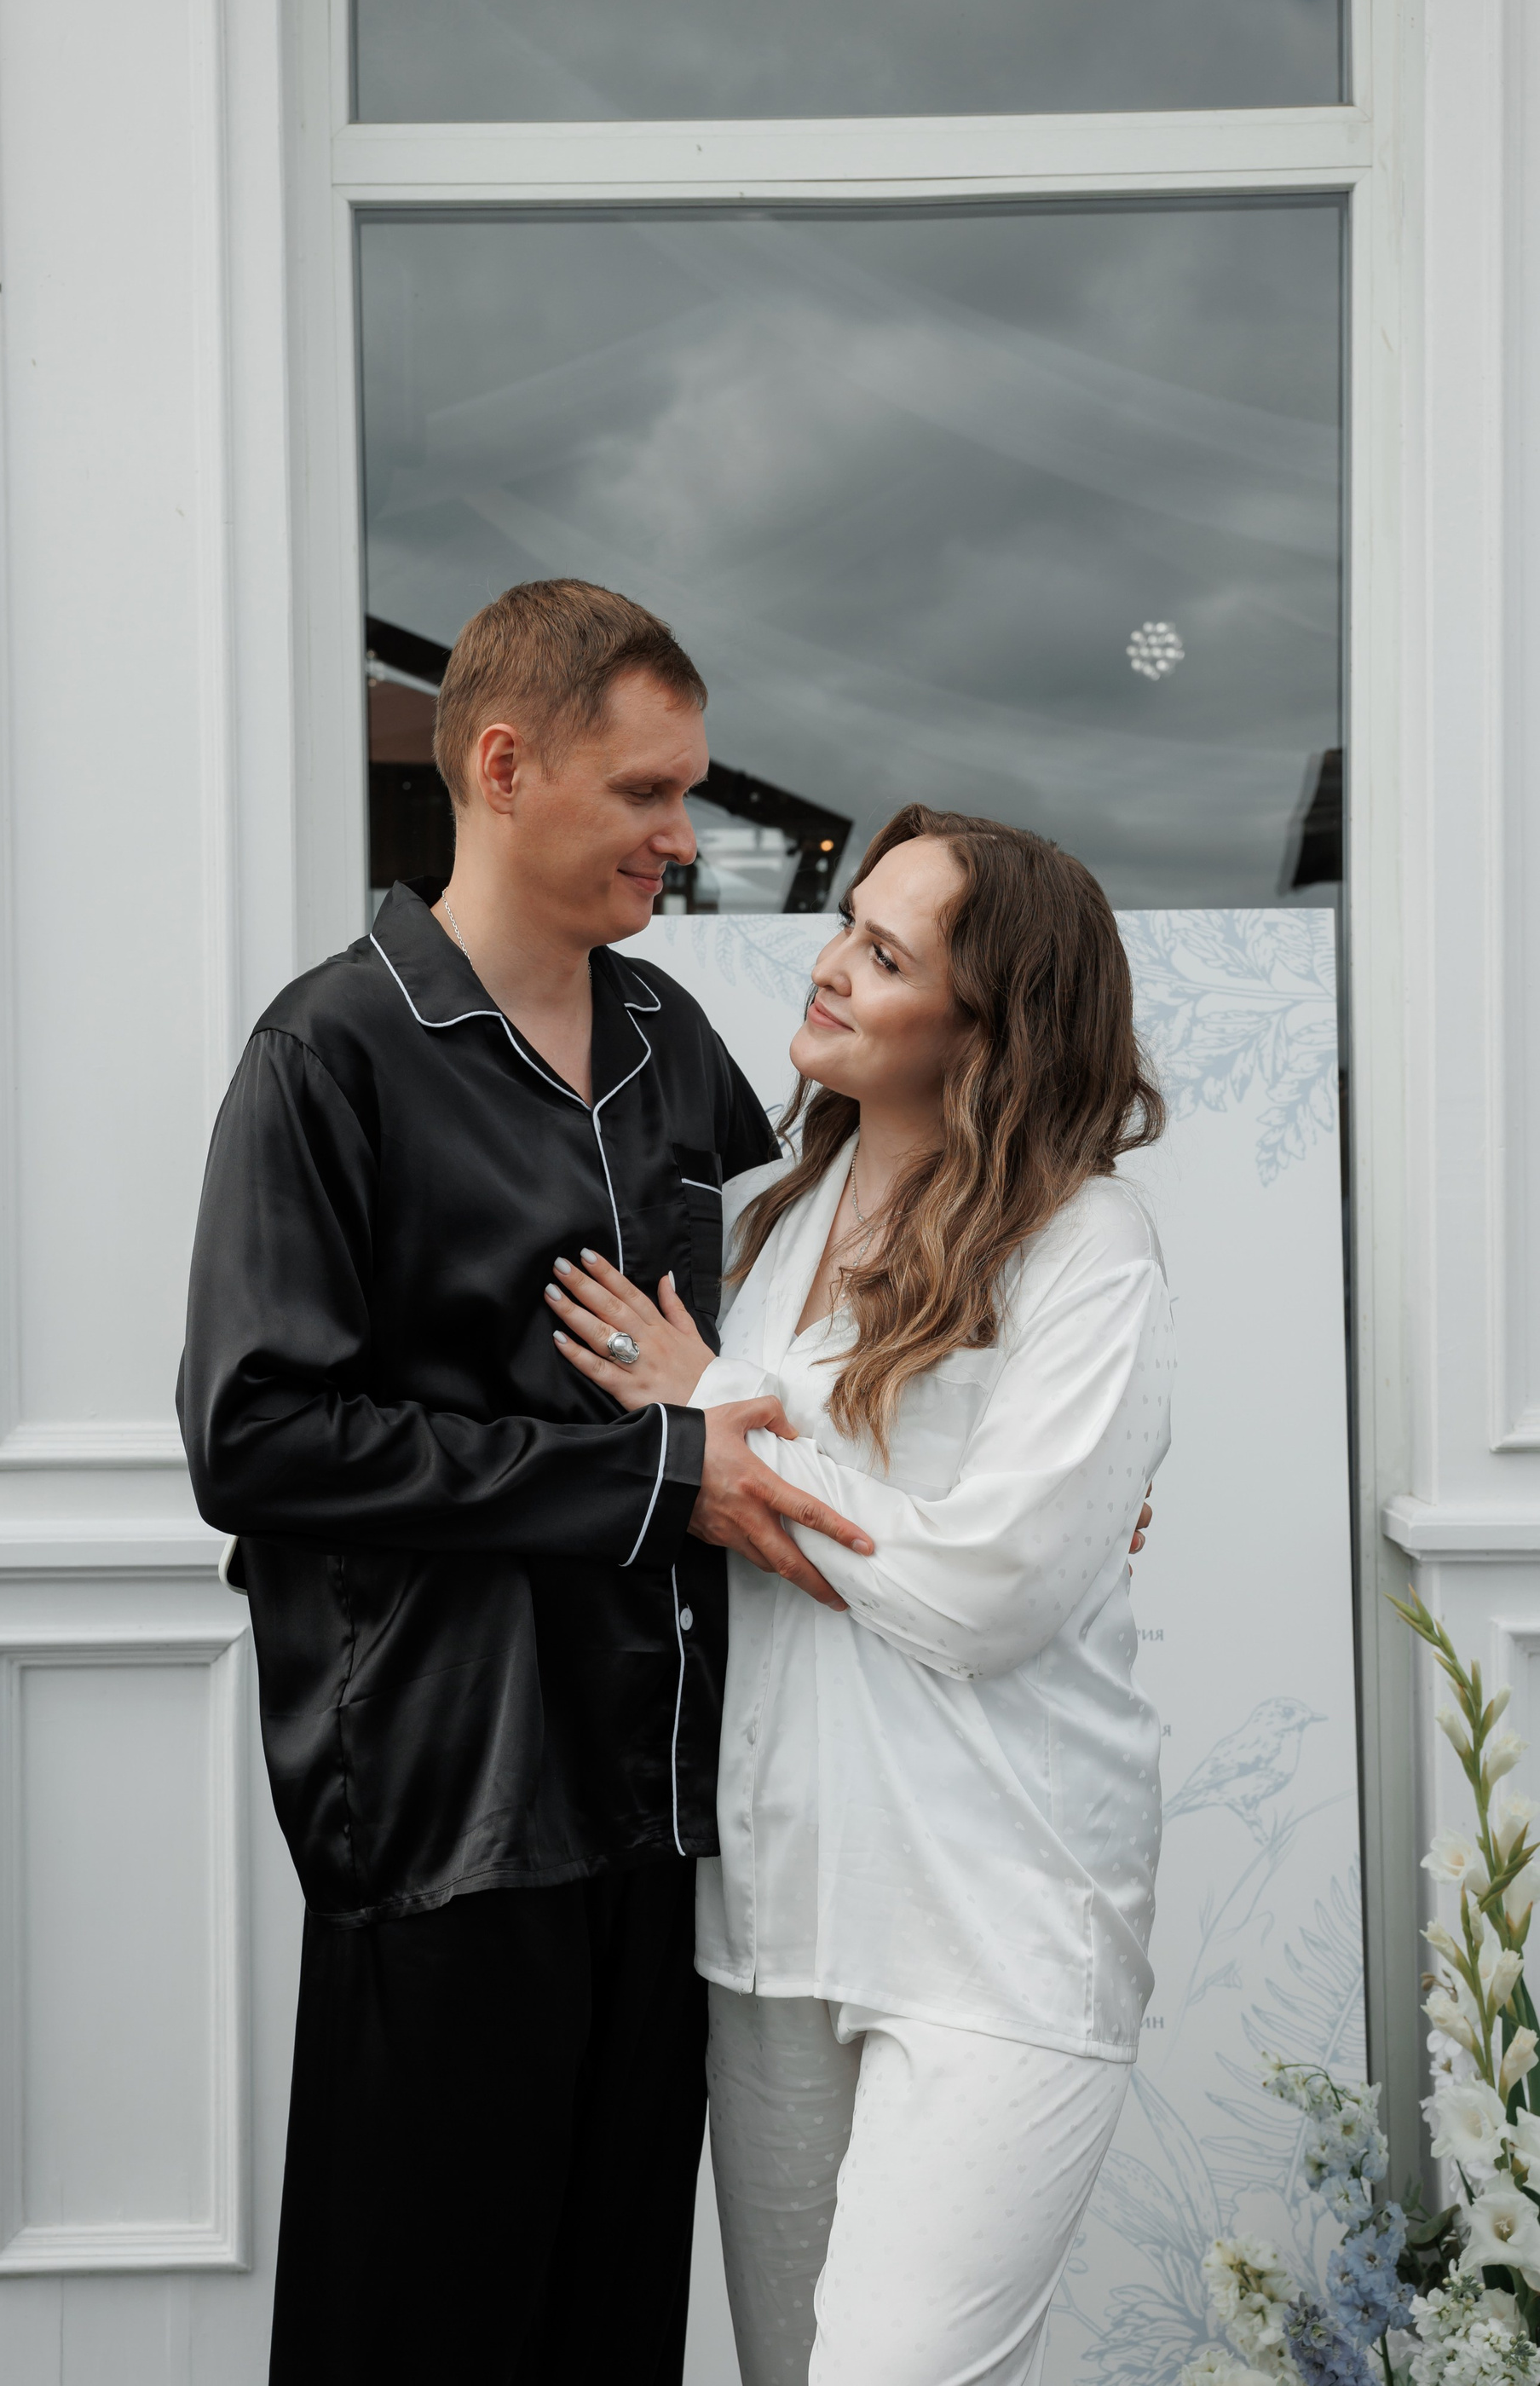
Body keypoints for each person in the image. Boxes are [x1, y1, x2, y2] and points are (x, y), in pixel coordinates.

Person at [175, 578, 876, 2384]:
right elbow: (257, 1433)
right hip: (448, 1810)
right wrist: (646, 1480)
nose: (683, 833)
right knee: (422, 2339)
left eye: (687, 789)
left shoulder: (670, 1046)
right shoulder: (330, 1053)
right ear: (502, 766)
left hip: (671, 1804)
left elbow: (791, 1334)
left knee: (609, 2334)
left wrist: (997, 1458)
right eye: (647, 790)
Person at [546, 804, 1173, 2386]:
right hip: (775, 1928)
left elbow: (988, 1594)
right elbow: (701, 1502)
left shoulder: (1085, 1248)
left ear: (989, 1030)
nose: (828, 967)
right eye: (847, 926)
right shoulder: (771, 1223)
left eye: (885, 957)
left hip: (997, 1923)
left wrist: (719, 1418)